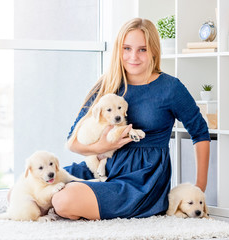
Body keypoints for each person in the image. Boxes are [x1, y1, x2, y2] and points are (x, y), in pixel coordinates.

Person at [52, 18, 210, 221]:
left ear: (153, 50)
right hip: (103, 168)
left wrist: (200, 189)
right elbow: (72, 143)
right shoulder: (106, 84)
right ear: (119, 49)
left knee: (63, 200)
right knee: (26, 189)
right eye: (127, 48)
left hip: (142, 183)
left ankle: (80, 205)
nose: (133, 56)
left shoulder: (170, 88)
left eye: (142, 49)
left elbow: (200, 132)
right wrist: (101, 147)